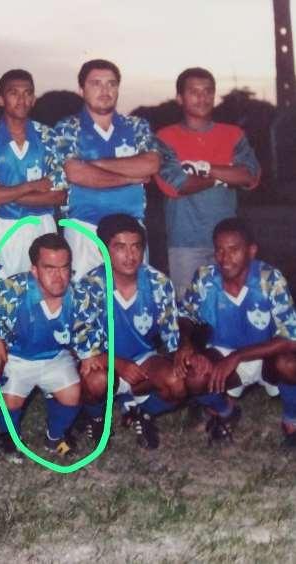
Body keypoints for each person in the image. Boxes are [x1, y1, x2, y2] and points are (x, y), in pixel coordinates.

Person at [0, 234, 103, 462]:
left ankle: (55, 436)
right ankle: (6, 433)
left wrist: (88, 353)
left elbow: (87, 328)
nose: (58, 276)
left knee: (73, 393)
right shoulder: (14, 288)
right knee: (9, 400)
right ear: (34, 270)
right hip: (17, 357)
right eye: (49, 268)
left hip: (54, 356)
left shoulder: (79, 295)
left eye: (64, 268)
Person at [177, 218, 296, 447]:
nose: (225, 258)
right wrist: (187, 343)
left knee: (289, 363)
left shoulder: (269, 279)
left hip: (266, 353)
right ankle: (225, 411)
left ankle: (292, 420)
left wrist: (238, 356)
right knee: (193, 374)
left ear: (251, 251)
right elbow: (186, 315)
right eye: (219, 250)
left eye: (234, 250)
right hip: (222, 352)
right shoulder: (205, 277)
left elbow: (291, 338)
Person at [76, 214, 190, 450]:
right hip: (104, 363)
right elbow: (82, 345)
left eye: (136, 247)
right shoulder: (89, 286)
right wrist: (118, 364)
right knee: (96, 381)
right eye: (120, 247)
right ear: (103, 251)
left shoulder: (158, 283)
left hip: (143, 360)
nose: (130, 255)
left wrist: (183, 350)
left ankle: (143, 412)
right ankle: (96, 418)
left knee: (178, 382)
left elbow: (172, 338)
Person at [154, 67, 261, 297]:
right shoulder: (164, 137)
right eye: (194, 92)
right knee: (188, 310)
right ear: (180, 98)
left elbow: (249, 176)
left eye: (208, 91)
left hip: (230, 243)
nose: (202, 98)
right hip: (184, 242)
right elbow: (177, 185)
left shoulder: (233, 134)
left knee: (231, 306)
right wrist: (225, 174)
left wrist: (204, 169)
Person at [55, 59, 160, 279]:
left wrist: (93, 164)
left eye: (111, 84)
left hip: (131, 232)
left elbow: (151, 164)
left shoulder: (136, 126)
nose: (105, 90)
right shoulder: (68, 127)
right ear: (81, 90)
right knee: (84, 296)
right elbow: (75, 173)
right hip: (85, 229)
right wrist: (131, 177)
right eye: (96, 83)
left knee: (131, 295)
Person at [0, 69, 67, 278]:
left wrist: (4, 194)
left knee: (42, 289)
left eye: (27, 93)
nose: (21, 100)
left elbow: (59, 195)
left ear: (34, 99)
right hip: (0, 227)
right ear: (0, 99)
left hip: (42, 226)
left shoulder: (50, 138)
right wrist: (32, 186)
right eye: (13, 93)